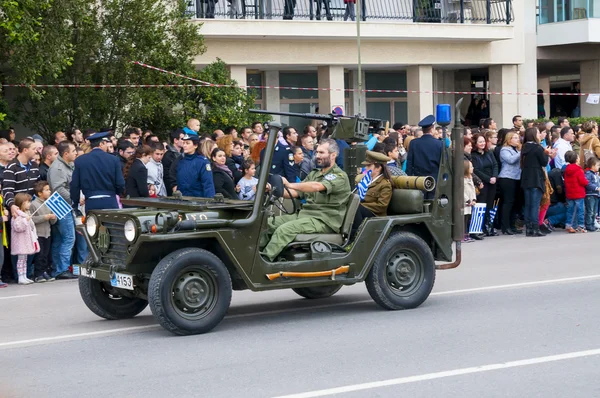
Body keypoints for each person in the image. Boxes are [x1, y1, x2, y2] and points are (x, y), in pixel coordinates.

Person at [260, 139, 351, 262]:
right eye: (316, 152)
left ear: (333, 155)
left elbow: (317, 187)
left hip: (324, 220)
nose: (317, 156)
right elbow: (296, 193)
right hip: (304, 215)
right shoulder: (314, 174)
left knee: (285, 230)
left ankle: (263, 262)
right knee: (265, 223)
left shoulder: (339, 176)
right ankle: (256, 255)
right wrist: (274, 189)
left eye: (322, 153)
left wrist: (290, 184)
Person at [71, 132, 125, 212]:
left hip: (91, 202)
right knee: (111, 224)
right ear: (101, 144)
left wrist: (75, 203)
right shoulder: (113, 159)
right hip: (110, 201)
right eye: (106, 143)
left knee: (92, 224)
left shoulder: (80, 160)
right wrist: (115, 193)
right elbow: (120, 183)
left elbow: (75, 185)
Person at [47, 141, 78, 279]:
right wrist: (74, 199)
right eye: (73, 151)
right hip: (61, 204)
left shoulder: (68, 165)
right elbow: (59, 189)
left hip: (62, 204)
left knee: (60, 239)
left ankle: (58, 268)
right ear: (66, 154)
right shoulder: (58, 168)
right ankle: (62, 269)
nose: (76, 153)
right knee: (68, 237)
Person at [352, 151, 392, 237]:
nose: (366, 168)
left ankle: (355, 236)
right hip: (363, 212)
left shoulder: (385, 184)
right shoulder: (366, 181)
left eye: (369, 166)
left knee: (356, 208)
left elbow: (382, 206)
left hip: (375, 214)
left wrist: (361, 205)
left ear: (378, 168)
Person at [521, 127, 550, 237]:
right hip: (536, 177)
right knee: (535, 205)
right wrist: (546, 153)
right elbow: (543, 162)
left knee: (528, 204)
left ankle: (529, 228)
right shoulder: (538, 148)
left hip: (526, 177)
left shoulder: (525, 147)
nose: (539, 135)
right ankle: (535, 227)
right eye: (538, 133)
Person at [405, 115, 442, 199]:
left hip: (418, 180)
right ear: (432, 129)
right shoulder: (439, 144)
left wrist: (409, 180)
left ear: (422, 130)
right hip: (435, 180)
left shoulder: (414, 143)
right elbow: (443, 164)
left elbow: (409, 164)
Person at [471, 133, 499, 236]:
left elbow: (495, 164)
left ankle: (489, 226)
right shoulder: (473, 155)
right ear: (475, 143)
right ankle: (480, 227)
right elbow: (476, 170)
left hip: (492, 181)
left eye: (483, 141)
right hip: (482, 183)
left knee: (490, 204)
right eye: (480, 142)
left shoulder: (489, 153)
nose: (482, 143)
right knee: (481, 204)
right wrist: (488, 179)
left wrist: (495, 177)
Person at [30, 181, 57, 282]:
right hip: (38, 234)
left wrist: (53, 217)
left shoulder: (49, 203)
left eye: (49, 189)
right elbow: (32, 219)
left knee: (46, 254)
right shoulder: (34, 204)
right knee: (39, 255)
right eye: (46, 190)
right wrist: (45, 217)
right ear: (40, 193)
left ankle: (44, 272)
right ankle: (38, 274)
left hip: (47, 233)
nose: (49, 191)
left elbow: (53, 221)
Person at [175, 133, 215, 198]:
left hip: (198, 201)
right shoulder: (180, 161)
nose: (184, 145)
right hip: (182, 201)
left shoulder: (203, 162)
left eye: (187, 143)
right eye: (184, 143)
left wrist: (210, 202)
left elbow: (208, 184)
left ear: (195, 145)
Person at [11, 193, 38, 285]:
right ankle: (20, 277)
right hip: (20, 242)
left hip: (25, 242)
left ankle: (24, 276)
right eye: (27, 202)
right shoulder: (17, 215)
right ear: (21, 203)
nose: (29, 204)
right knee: (20, 260)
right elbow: (17, 227)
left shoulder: (25, 214)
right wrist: (25, 220)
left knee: (25, 260)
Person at [498, 132, 522, 235]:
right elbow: (511, 160)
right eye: (515, 138)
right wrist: (521, 153)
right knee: (508, 202)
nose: (518, 140)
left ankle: (513, 225)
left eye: (518, 138)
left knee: (516, 202)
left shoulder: (517, 149)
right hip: (507, 178)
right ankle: (505, 226)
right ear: (509, 139)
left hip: (517, 177)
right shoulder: (504, 150)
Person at [564, 150, 588, 233]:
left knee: (570, 210)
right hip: (579, 193)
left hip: (570, 193)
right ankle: (580, 225)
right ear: (576, 159)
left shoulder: (566, 169)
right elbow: (582, 181)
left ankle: (569, 224)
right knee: (580, 210)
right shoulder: (579, 170)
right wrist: (587, 182)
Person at [162, 129, 184, 196]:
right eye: (182, 139)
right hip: (172, 191)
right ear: (176, 140)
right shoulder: (168, 155)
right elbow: (167, 176)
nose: (185, 141)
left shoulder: (183, 154)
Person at [584, 157, 600, 231]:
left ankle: (592, 224)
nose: (599, 167)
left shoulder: (596, 174)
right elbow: (587, 184)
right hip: (590, 195)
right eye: (597, 165)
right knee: (590, 211)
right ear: (593, 166)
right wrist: (596, 188)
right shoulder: (588, 174)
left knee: (594, 211)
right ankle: (588, 225)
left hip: (596, 194)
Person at [463, 160, 477, 243]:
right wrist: (468, 200)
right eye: (471, 167)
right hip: (465, 203)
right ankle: (462, 235)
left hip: (470, 202)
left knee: (468, 219)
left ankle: (467, 234)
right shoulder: (461, 180)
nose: (473, 168)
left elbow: (472, 190)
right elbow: (462, 191)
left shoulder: (470, 178)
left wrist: (474, 199)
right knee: (463, 220)